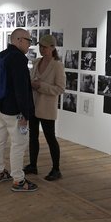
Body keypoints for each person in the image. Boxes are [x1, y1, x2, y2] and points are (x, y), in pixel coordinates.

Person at [0, 28, 37, 192]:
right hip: (14, 110)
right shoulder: (18, 59)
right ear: (19, 40)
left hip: (0, 106)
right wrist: (25, 113)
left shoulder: (2, 55)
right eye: (28, 41)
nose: (29, 44)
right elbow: (21, 89)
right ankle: (18, 180)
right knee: (19, 143)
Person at [24, 34, 66, 181]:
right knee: (33, 136)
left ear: (53, 48)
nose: (42, 49)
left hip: (47, 108)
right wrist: (31, 83)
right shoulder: (37, 62)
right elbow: (31, 80)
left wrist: (41, 86)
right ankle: (33, 165)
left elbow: (60, 88)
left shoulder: (57, 66)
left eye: (45, 47)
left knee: (50, 138)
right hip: (34, 106)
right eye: (40, 46)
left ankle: (56, 169)